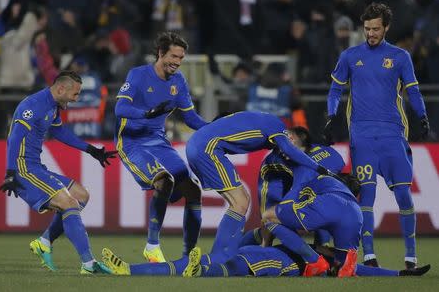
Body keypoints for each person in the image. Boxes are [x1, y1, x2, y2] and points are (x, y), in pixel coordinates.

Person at [323, 2, 430, 269]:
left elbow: (413, 92)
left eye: (375, 29)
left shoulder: (400, 57)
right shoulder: (349, 56)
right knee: (366, 196)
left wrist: (422, 115)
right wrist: (331, 115)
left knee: (403, 195)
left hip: (393, 134)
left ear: (386, 28)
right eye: (367, 28)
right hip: (361, 136)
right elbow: (335, 91)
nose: (370, 33)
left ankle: (411, 257)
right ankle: (369, 256)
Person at [0, 70, 117, 274]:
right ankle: (88, 264)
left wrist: (91, 150)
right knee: (69, 202)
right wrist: (10, 172)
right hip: (23, 168)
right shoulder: (34, 105)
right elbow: (16, 137)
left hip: (35, 166)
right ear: (61, 88)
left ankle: (44, 241)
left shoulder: (53, 106)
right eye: (75, 94)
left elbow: (60, 132)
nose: (76, 99)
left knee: (81, 196)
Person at [185, 111, 332, 264]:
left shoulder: (264, 120)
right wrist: (319, 168)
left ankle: (224, 255)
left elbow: (219, 124)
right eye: (296, 151)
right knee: (240, 202)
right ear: (291, 138)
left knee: (241, 201)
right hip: (208, 149)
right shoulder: (278, 128)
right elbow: (289, 150)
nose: (288, 157)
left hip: (198, 143)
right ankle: (218, 258)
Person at [114, 32, 207, 262]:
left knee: (193, 190)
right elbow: (120, 109)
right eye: (173, 56)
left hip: (159, 141)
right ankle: (152, 246)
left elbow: (191, 118)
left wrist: (215, 127)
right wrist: (146, 113)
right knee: (163, 179)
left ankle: (188, 257)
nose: (176, 62)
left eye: (181, 58)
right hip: (132, 142)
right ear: (160, 53)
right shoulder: (137, 75)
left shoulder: (179, 81)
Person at [240, 126, 345, 248]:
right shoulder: (328, 157)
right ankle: (248, 251)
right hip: (272, 180)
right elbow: (288, 204)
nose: (283, 151)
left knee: (319, 207)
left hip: (295, 178)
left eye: (289, 149)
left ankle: (320, 249)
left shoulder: (306, 169)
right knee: (270, 225)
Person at [99, 239, 431, 278]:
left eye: (330, 247)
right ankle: (128, 269)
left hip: (276, 264)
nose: (326, 246)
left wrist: (400, 275)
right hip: (260, 252)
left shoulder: (330, 263)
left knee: (230, 269)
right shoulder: (315, 249)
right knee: (189, 262)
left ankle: (201, 270)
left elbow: (362, 271)